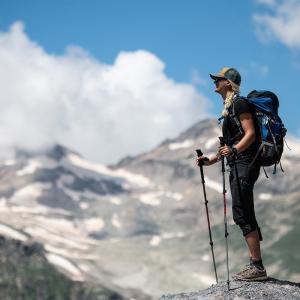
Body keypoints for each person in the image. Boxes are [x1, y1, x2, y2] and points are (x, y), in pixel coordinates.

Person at [197, 67, 267, 281]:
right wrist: (211, 160)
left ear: (228, 82)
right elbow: (230, 144)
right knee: (242, 211)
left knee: (242, 211)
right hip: (238, 163)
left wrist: (235, 150)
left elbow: (251, 134)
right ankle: (256, 265)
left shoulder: (239, 103)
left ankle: (257, 267)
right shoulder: (229, 108)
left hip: (245, 163)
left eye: (218, 79)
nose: (215, 82)